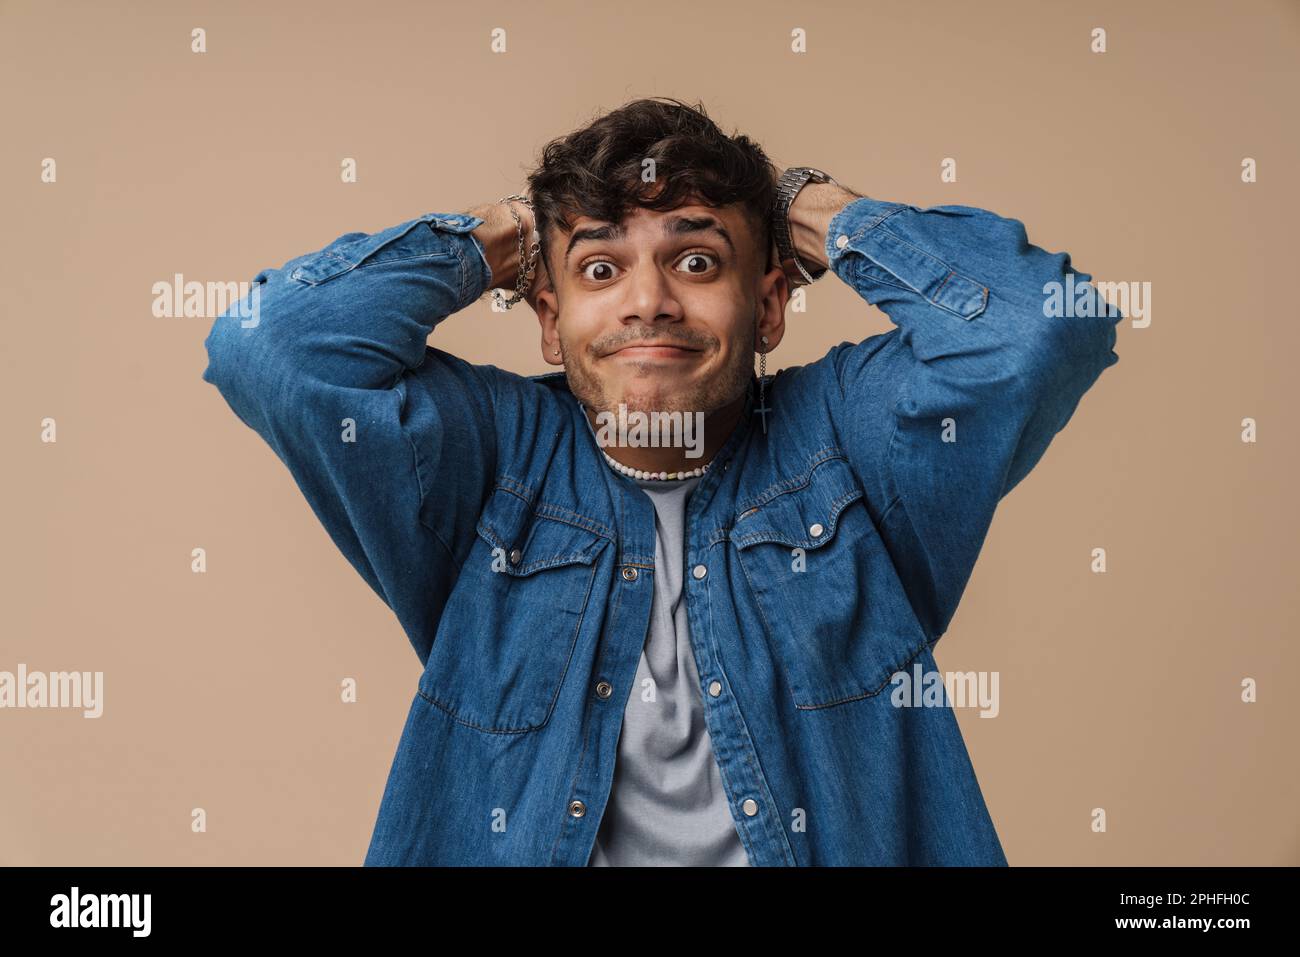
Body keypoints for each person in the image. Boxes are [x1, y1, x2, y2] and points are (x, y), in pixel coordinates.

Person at [201, 96, 1123, 866]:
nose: (649, 300)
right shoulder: (491, 462)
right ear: (549, 323)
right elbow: (270, 345)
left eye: (696, 260)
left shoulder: (847, 441)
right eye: (602, 267)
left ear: (766, 306)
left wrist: (809, 207)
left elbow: (1041, 331)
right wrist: (511, 233)